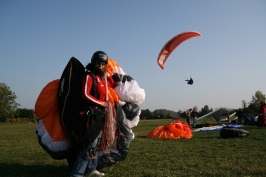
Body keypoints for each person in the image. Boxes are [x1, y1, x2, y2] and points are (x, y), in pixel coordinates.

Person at [70, 51, 115, 177]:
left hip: (100, 115)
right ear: (93, 62)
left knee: (97, 143)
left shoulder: (102, 78)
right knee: (89, 145)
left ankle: (91, 169)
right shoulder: (89, 76)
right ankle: (76, 174)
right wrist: (101, 104)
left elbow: (111, 87)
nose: (100, 65)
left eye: (103, 63)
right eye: (98, 63)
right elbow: (85, 94)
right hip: (90, 116)